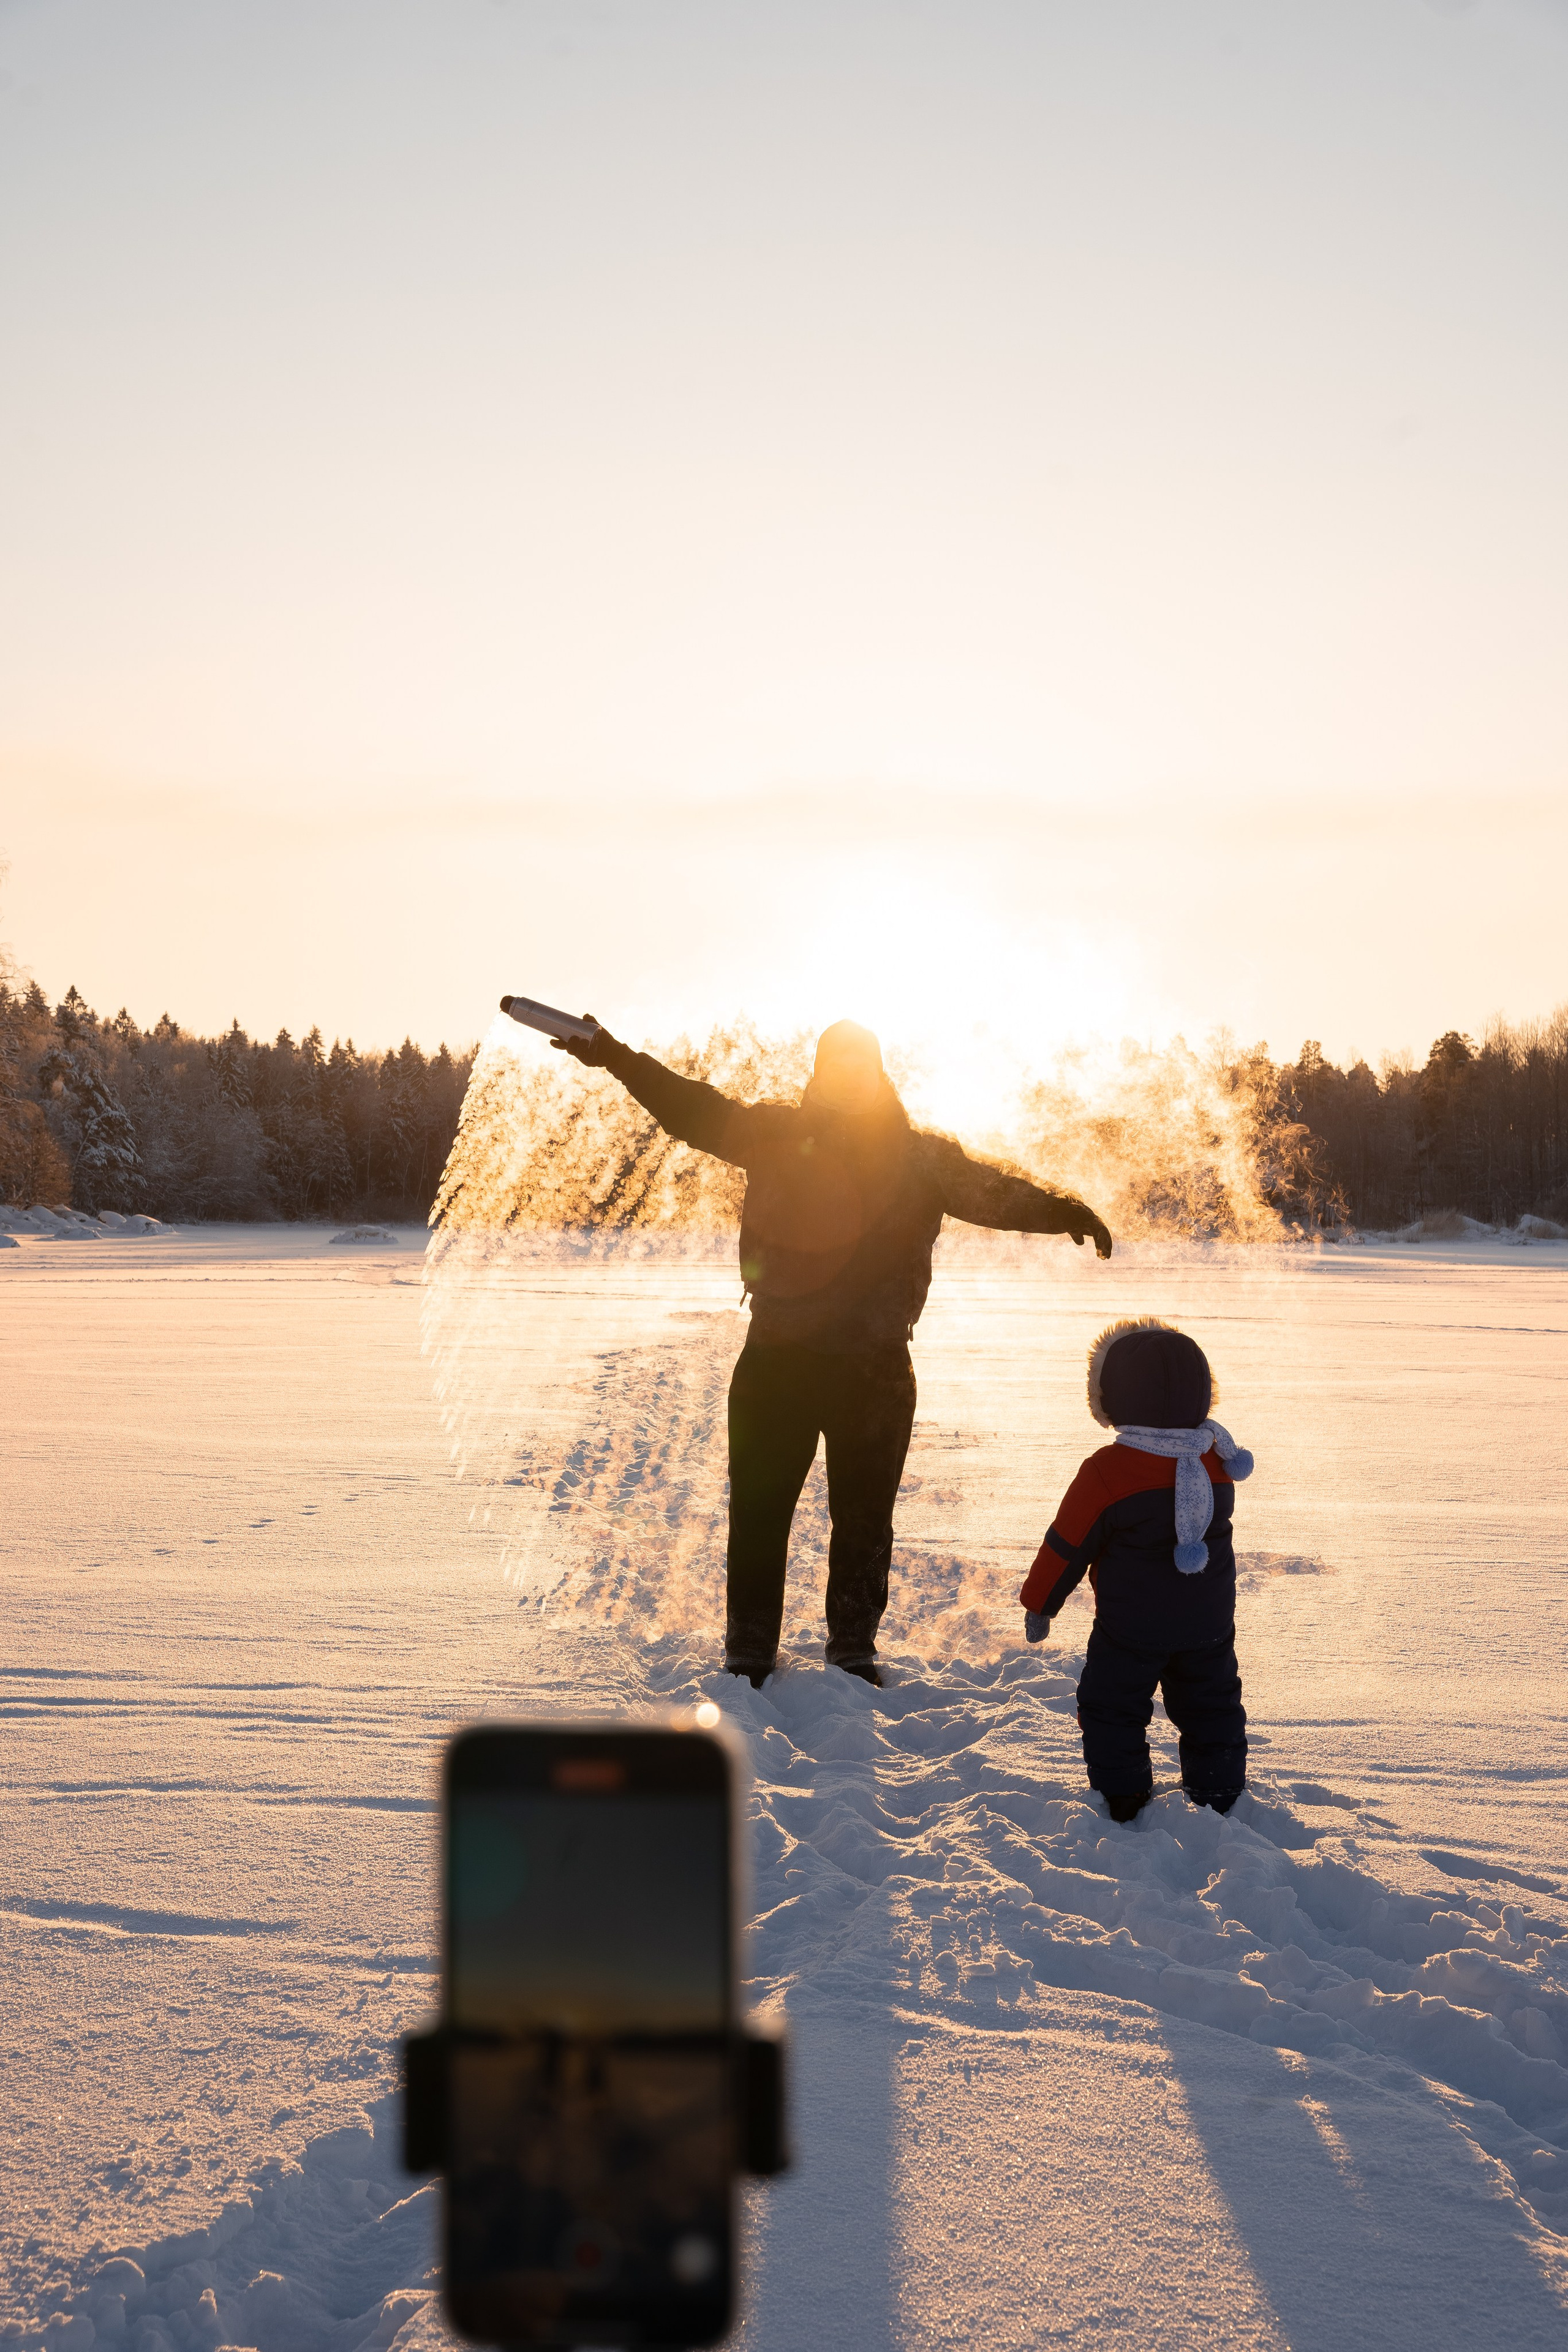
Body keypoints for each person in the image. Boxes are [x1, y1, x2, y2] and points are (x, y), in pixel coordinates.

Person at [553, 1016, 1112, 1688]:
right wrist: (614, 1056)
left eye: (860, 1066)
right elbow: (690, 1106)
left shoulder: (921, 1157)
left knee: (865, 1521)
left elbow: (995, 1193)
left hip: (872, 1369)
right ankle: (750, 1647)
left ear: (878, 1075)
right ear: (819, 1074)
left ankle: (852, 1645)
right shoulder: (775, 1133)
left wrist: (1063, 1209)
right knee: (759, 1510)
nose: (848, 1079)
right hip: (776, 1362)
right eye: (836, 1066)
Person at [1019, 1316, 1254, 1820]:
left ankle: (1123, 1798)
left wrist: (1041, 1604)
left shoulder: (1108, 1472)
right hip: (1208, 1623)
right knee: (1212, 1707)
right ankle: (1221, 1797)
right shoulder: (1217, 1460)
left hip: (1130, 1628)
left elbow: (1066, 1546)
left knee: (1113, 1708)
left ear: (1113, 1397)